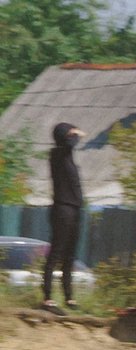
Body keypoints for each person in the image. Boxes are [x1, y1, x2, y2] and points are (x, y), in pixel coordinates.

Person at [42, 121, 82, 312]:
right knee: (56, 254)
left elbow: (70, 144)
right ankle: (47, 298)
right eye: (69, 133)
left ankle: (69, 298)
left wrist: (72, 133)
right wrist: (73, 134)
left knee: (70, 256)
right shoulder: (57, 154)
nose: (73, 136)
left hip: (73, 210)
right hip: (62, 210)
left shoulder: (67, 157)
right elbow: (69, 144)